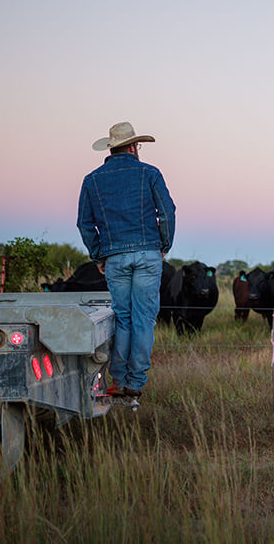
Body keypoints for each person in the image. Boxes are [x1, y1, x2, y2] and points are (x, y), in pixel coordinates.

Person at [77, 121, 176, 403]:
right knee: (143, 319)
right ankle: (135, 381)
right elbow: (167, 213)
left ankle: (118, 380)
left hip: (114, 257)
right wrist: (163, 246)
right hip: (147, 253)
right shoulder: (150, 173)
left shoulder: (92, 180)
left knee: (123, 318)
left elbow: (85, 224)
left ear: (112, 148)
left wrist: (98, 255)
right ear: (133, 146)